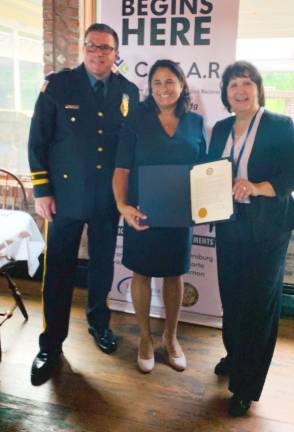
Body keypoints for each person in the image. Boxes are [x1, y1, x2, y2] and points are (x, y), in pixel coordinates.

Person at [28, 23, 139, 385]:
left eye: (105, 48)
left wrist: (128, 198)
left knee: (102, 267)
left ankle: (98, 323)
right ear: (83, 48)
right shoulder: (58, 85)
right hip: (64, 199)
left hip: (107, 200)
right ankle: (51, 345)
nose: (98, 53)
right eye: (92, 46)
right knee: (58, 270)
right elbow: (37, 141)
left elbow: (129, 150)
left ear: (115, 52)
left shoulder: (128, 91)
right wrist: (42, 191)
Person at [208, 61, 294, 416]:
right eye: (233, 85)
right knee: (232, 297)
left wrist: (257, 187)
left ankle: (246, 386)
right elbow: (209, 170)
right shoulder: (220, 128)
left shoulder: (279, 125)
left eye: (247, 83)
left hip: (268, 226)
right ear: (226, 93)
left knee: (258, 304)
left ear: (258, 88)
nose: (240, 90)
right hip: (229, 222)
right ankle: (235, 355)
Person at [113, 59, 206, 373]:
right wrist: (123, 206)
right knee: (141, 273)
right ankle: (144, 338)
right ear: (149, 89)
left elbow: (205, 169)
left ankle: (171, 336)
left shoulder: (195, 122)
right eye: (157, 83)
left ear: (181, 85)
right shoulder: (136, 120)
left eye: (170, 81)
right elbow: (121, 168)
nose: (164, 88)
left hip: (180, 213)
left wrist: (210, 202)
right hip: (143, 210)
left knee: (174, 274)